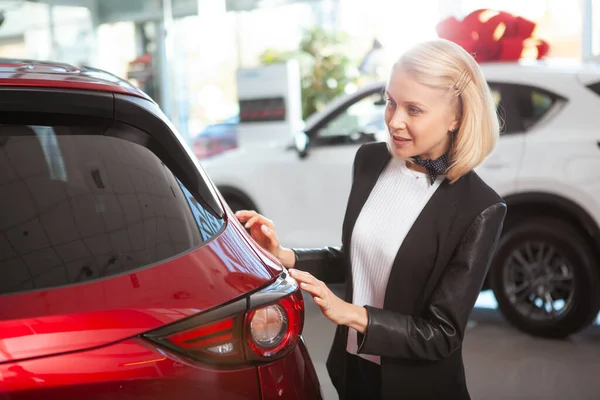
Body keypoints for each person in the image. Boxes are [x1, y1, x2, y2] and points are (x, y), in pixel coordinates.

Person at [235, 38, 506, 400]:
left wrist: (353, 315)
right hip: (354, 368)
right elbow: (357, 259)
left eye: (414, 109)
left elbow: (442, 335)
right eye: (390, 102)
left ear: (457, 116)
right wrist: (285, 255)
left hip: (415, 387)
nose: (395, 121)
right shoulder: (371, 161)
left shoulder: (481, 207)